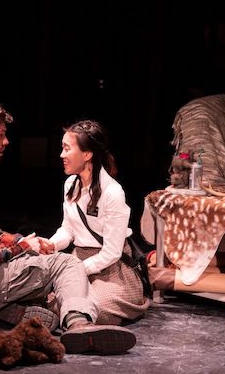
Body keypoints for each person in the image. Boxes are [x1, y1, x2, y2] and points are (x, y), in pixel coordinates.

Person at [0, 100, 136, 355]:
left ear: (88, 154)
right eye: (0, 135)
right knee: (66, 266)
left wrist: (20, 242)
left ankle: (25, 313)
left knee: (55, 280)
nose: (6, 142)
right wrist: (22, 247)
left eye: (66, 148)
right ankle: (78, 325)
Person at [40, 120, 149, 325]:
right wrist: (53, 244)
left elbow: (111, 253)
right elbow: (68, 230)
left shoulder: (112, 192)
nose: (61, 155)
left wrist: (79, 269)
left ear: (87, 154)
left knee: (99, 307)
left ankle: (71, 320)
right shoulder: (70, 184)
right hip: (78, 258)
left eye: (67, 148)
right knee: (48, 295)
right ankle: (72, 319)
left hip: (111, 267)